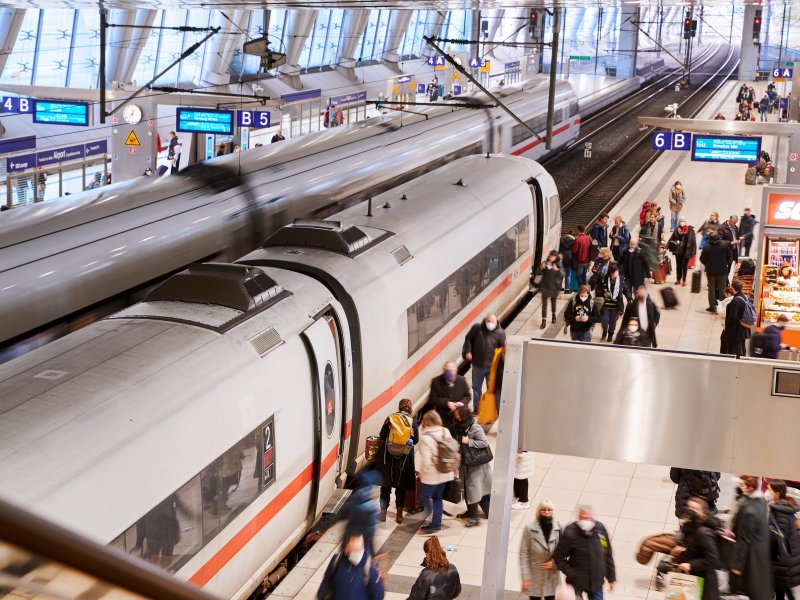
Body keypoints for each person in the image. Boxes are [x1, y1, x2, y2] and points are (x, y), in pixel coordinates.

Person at [552, 506, 616, 599]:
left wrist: (611, 578)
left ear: (592, 517)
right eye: (581, 518)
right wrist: (571, 573)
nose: (584, 521)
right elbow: (558, 556)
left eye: (587, 518)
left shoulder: (600, 530)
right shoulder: (570, 532)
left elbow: (607, 554)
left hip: (596, 581)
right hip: (576, 583)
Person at [375, 399, 418, 524]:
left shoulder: (390, 419)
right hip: (404, 458)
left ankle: (383, 513)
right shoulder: (413, 422)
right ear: (410, 409)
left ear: (399, 407)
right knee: (400, 487)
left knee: (386, 486)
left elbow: (382, 435)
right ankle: (399, 515)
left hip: (387, 457)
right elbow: (415, 441)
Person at [729, 475, 770, 600]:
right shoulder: (761, 502)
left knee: (744, 589)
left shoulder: (749, 510)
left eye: (742, 485)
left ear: (750, 488)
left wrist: (737, 565)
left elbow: (744, 538)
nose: (740, 487)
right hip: (759, 553)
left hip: (748, 557)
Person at [416, 410, 456, 534]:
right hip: (445, 472)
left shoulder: (426, 438)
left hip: (431, 476)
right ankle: (436, 524)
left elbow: (426, 462)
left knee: (424, 497)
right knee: (438, 498)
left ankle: (431, 516)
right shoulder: (445, 431)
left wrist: (421, 472)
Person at [673, 497, 721, 600]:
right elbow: (695, 547)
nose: (690, 510)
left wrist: (690, 565)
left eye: (694, 509)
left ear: (703, 513)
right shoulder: (691, 527)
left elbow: (712, 559)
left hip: (703, 584)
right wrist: (683, 549)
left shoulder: (703, 532)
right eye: (689, 507)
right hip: (692, 579)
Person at [453, 406, 492, 527]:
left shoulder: (474, 427)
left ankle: (474, 518)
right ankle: (471, 512)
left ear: (463, 416)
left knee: (474, 490)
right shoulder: (460, 426)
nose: (455, 416)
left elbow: (484, 442)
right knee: (468, 488)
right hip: (466, 464)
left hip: (476, 466)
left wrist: (468, 441)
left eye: (457, 415)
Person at [317, 533, 384, 600]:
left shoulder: (369, 567)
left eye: (359, 549)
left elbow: (378, 594)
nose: (358, 555)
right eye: (354, 551)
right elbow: (326, 581)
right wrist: (320, 596)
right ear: (346, 549)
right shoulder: (336, 560)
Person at [462, 314, 505, 414]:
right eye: (488, 321)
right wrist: (468, 351)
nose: (489, 324)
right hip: (478, 366)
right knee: (476, 388)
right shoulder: (477, 328)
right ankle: (477, 408)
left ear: (496, 322)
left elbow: (503, 349)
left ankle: (492, 409)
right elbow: (468, 339)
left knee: (491, 389)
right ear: (485, 321)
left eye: (492, 322)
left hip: (492, 367)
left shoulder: (500, 333)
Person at [520, 500, 562, 599]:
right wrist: (525, 577)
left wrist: (555, 563)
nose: (546, 512)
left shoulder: (558, 528)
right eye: (543, 510)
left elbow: (563, 552)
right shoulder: (529, 528)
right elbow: (523, 554)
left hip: (552, 576)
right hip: (534, 576)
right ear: (539, 511)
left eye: (549, 510)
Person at [766, 479, 800, 600]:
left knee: (780, 590)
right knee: (785, 587)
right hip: (788, 556)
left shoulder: (780, 511)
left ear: (777, 493)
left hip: (782, 558)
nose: (767, 492)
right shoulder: (784, 506)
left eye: (769, 490)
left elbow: (778, 535)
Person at [338, 470, 382, 554]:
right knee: (358, 566)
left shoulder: (352, 501)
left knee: (344, 564)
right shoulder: (371, 508)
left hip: (348, 541)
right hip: (361, 545)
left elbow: (341, 516)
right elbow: (370, 533)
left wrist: (320, 530)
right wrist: (372, 553)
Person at [428, 362, 470, 432]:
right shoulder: (436, 381)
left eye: (451, 370)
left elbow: (468, 396)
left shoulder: (462, 380)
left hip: (459, 419)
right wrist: (447, 403)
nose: (448, 373)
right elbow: (432, 399)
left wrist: (462, 403)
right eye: (446, 370)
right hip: (443, 419)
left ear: (456, 371)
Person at [700, 229, 732, 313]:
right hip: (722, 271)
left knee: (711, 289)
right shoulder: (724, 245)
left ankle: (712, 307)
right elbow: (729, 257)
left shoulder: (707, 247)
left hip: (711, 272)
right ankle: (721, 307)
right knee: (722, 290)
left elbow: (702, 259)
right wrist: (726, 264)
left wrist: (708, 264)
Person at [596, 263, 625, 343]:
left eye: (616, 272)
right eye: (613, 272)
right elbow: (598, 290)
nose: (615, 274)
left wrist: (629, 297)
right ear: (610, 272)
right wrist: (603, 294)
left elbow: (625, 289)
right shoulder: (604, 279)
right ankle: (604, 331)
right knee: (604, 320)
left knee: (613, 321)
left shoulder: (620, 280)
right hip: (605, 305)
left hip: (616, 306)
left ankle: (610, 334)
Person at [535, 250, 564, 329]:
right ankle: (543, 321)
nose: (551, 258)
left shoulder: (558, 264)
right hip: (545, 286)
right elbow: (538, 272)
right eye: (551, 256)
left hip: (554, 287)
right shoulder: (545, 263)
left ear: (556, 257)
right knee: (544, 305)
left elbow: (562, 275)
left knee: (553, 302)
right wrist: (540, 268)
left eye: (553, 257)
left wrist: (557, 270)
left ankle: (553, 316)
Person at [722, 279, 749, 357]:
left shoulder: (736, 300)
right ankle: (743, 360)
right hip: (743, 326)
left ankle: (738, 362)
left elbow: (732, 317)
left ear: (733, 288)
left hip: (736, 329)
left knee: (736, 347)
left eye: (731, 287)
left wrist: (727, 325)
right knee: (742, 345)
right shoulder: (744, 296)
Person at [667, 218, 697, 286]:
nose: (682, 222)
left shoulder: (690, 230)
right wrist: (666, 246)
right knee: (678, 265)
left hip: (687, 251)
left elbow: (693, 241)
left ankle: (684, 280)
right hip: (678, 251)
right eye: (681, 221)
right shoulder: (677, 230)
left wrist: (694, 251)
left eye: (683, 221)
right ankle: (678, 279)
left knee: (684, 266)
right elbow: (671, 238)